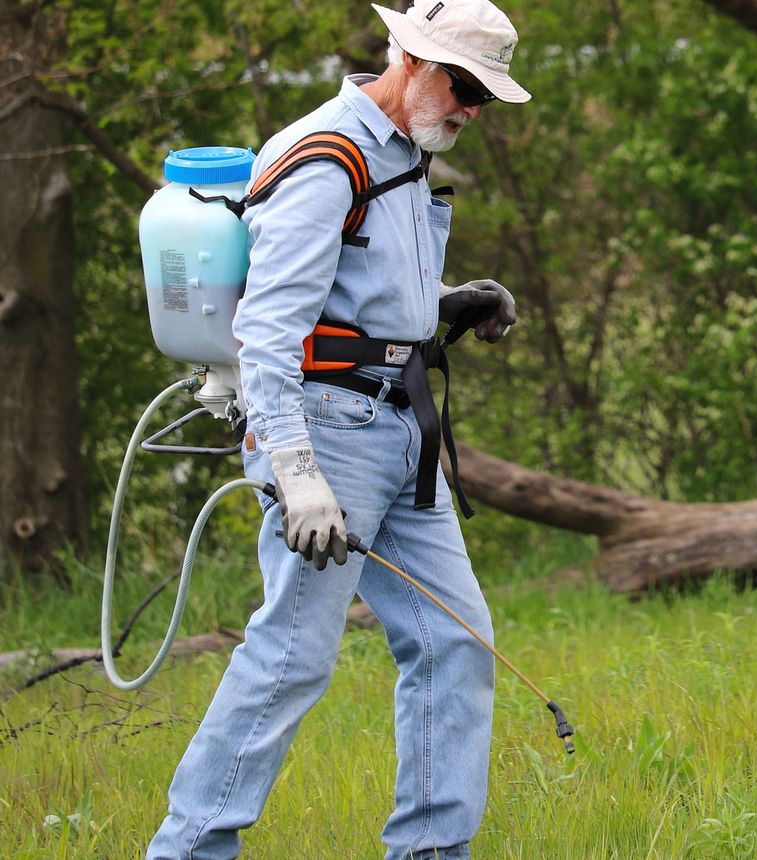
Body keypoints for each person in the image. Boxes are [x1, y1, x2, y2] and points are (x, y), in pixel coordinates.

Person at [147, 1, 529, 857]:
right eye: (461, 83)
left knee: (456, 644)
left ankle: (431, 851)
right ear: (407, 57)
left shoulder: (402, 151)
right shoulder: (329, 158)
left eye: (484, 96)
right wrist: (296, 472)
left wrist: (448, 304)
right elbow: (267, 334)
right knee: (292, 656)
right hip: (325, 432)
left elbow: (360, 300)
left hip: (399, 425)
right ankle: (189, 849)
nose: (469, 107)